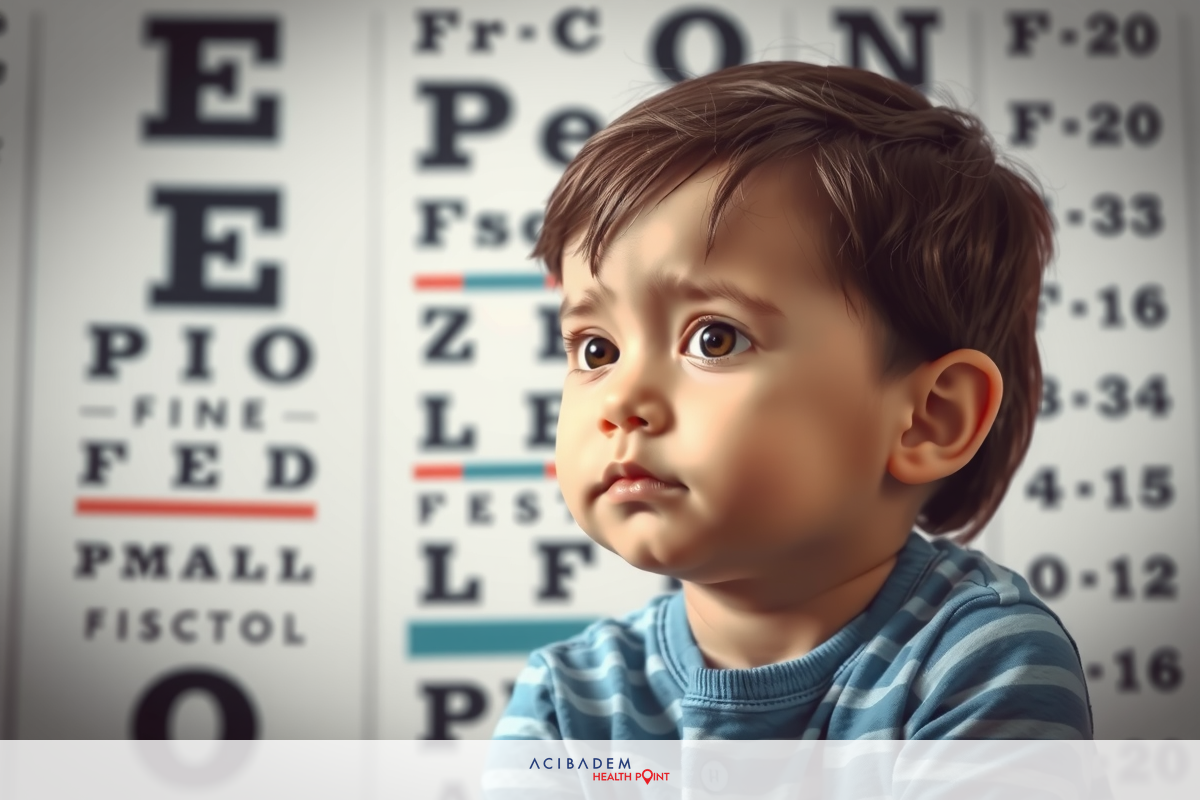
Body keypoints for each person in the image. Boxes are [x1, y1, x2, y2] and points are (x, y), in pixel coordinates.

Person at [495, 61, 1092, 739]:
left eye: (715, 339)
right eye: (596, 350)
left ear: (931, 418)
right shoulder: (568, 700)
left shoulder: (979, 661)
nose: (622, 400)